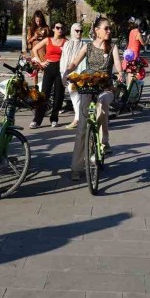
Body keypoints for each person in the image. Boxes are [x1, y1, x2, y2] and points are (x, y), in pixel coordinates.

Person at [65, 17, 124, 181]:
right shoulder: (88, 46)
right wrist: (66, 73)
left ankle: (104, 143)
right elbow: (75, 62)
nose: (109, 31)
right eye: (106, 28)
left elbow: (118, 63)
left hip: (105, 87)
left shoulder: (112, 47)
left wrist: (120, 74)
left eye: (110, 28)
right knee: (82, 128)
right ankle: (76, 167)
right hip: (88, 86)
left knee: (102, 103)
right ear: (97, 30)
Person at [30, 22, 67, 129]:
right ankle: (37, 120)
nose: (60, 30)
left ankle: (54, 118)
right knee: (44, 95)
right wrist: (41, 62)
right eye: (57, 27)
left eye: (62, 28)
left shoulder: (65, 42)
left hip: (60, 68)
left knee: (59, 95)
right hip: (49, 67)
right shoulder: (48, 40)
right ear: (53, 29)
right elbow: (34, 49)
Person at [60, 22, 87, 130]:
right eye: (77, 31)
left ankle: (78, 119)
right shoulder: (67, 44)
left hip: (80, 74)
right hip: (69, 73)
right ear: (72, 31)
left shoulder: (84, 45)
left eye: (81, 31)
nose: (79, 33)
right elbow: (63, 60)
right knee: (74, 98)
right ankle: (79, 118)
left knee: (80, 98)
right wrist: (63, 73)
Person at [26, 10, 49, 86]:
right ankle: (35, 88)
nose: (38, 23)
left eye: (40, 21)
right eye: (37, 21)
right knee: (35, 71)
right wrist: (34, 37)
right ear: (34, 20)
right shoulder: (31, 29)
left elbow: (50, 38)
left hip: (43, 52)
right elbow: (28, 41)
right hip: (34, 53)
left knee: (44, 71)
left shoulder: (46, 28)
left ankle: (45, 87)